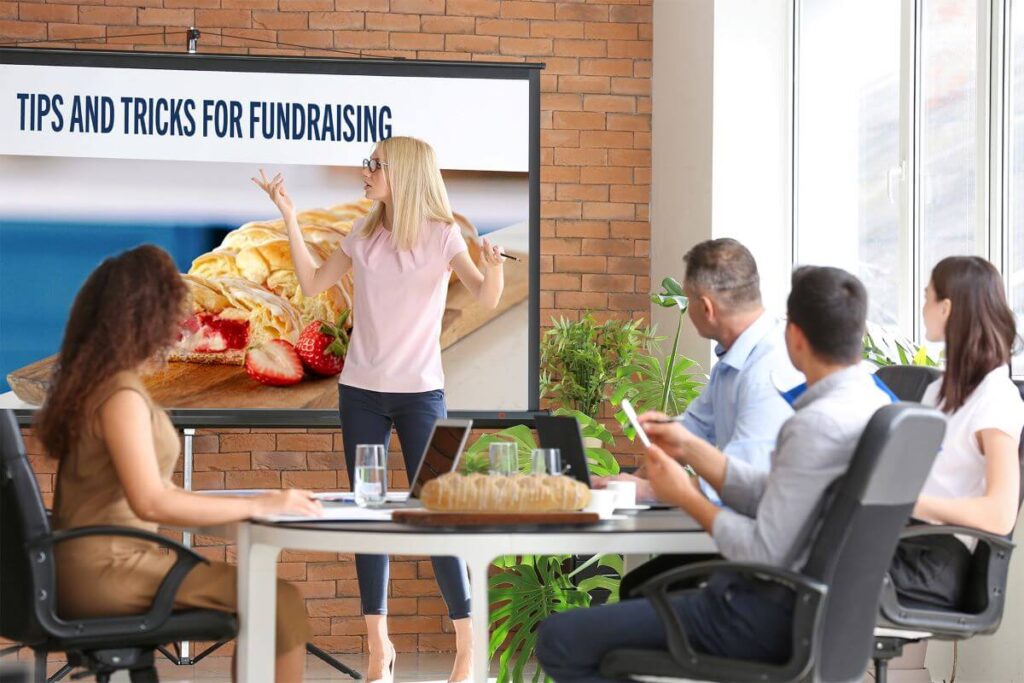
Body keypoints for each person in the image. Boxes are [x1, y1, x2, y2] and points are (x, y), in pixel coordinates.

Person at [535, 266, 892, 682]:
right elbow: (776, 495)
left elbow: (762, 551)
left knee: (558, 638)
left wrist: (686, 496)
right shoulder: (873, 405)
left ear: (794, 335)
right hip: (827, 613)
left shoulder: (814, 422)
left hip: (759, 615)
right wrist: (692, 449)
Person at [253, 136, 506, 683]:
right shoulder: (365, 232)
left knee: (436, 518)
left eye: (375, 165)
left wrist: (493, 265)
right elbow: (314, 282)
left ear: (405, 173)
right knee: (367, 518)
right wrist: (291, 217)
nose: (364, 172)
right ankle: (378, 651)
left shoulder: (443, 237)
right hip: (361, 393)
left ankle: (467, 648)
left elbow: (486, 296)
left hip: (420, 395)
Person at [36, 245, 318, 682]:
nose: (182, 320)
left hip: (89, 565)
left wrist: (250, 503)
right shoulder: (120, 396)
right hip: (110, 572)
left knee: (263, 600)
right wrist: (263, 503)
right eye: (174, 307)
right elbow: (151, 501)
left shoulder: (96, 386)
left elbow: (151, 494)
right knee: (279, 600)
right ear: (146, 314)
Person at [596, 238, 797, 505]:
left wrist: (643, 492)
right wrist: (630, 481)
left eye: (688, 299)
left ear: (706, 308)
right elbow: (691, 431)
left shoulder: (766, 373)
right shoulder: (734, 360)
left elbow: (745, 484)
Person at [889, 256, 1024, 608]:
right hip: (902, 539)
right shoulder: (937, 391)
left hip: (934, 558)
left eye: (926, 297)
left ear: (946, 307)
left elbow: (999, 514)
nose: (922, 308)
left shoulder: (996, 397)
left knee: (814, 568)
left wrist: (913, 502)